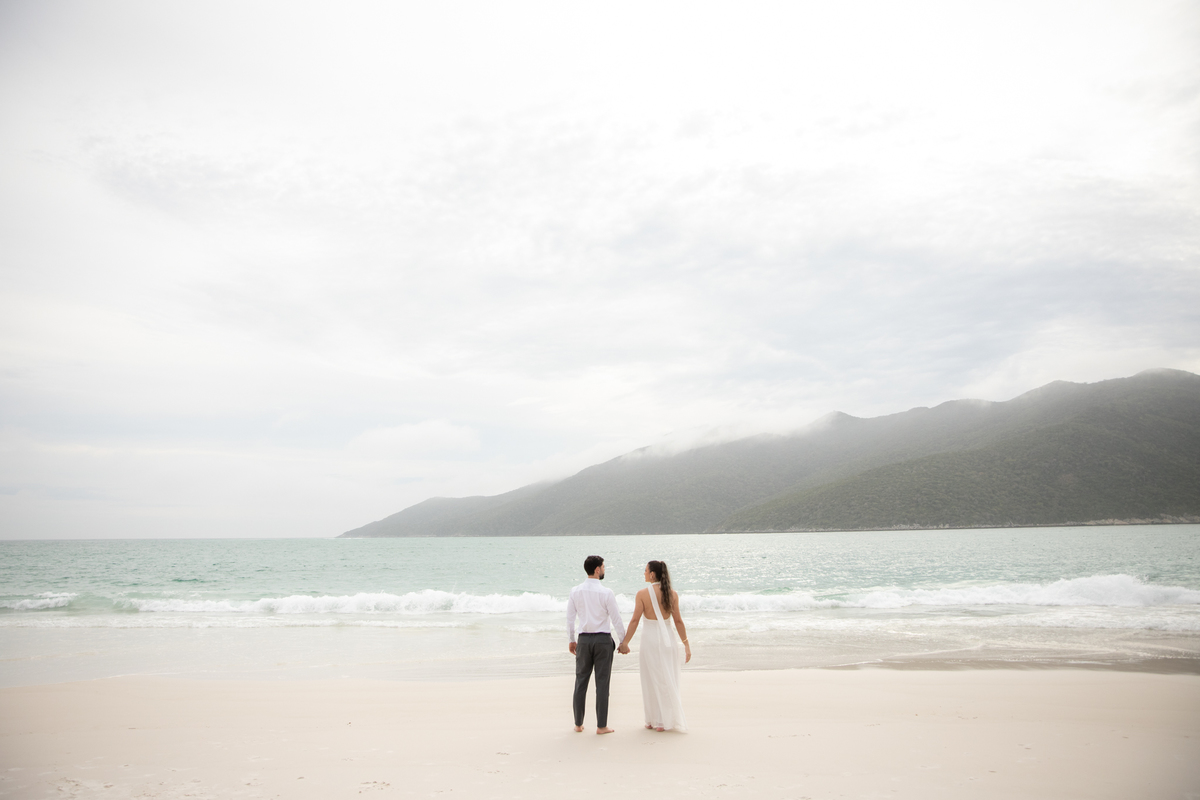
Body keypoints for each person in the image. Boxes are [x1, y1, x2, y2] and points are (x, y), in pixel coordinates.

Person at [618, 559, 690, 732]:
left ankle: (652, 720)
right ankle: (663, 721)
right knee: (667, 678)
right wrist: (686, 644)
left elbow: (635, 620)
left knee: (650, 679)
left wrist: (625, 642)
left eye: (645, 570)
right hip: (668, 640)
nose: (643, 573)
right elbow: (678, 621)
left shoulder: (642, 594)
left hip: (649, 640)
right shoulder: (672, 594)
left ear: (652, 574)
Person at [566, 555, 627, 734]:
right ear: (597, 569)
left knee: (580, 682)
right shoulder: (606, 593)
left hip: (584, 640)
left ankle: (578, 724)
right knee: (602, 684)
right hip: (602, 640)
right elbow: (616, 619)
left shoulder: (575, 591)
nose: (604, 570)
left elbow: (570, 619)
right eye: (603, 567)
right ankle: (601, 726)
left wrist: (571, 639)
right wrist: (623, 641)